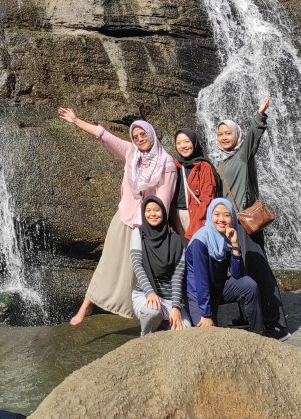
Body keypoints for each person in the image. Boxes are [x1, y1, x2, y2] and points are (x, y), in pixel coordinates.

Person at [57, 108, 177, 323]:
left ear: (152, 134)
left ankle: (144, 314)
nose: (140, 139)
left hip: (146, 225)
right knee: (107, 262)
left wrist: (153, 230)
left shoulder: (166, 163)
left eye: (143, 134)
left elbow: (163, 202)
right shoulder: (131, 153)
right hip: (124, 217)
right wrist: (75, 121)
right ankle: (86, 306)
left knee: (136, 270)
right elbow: (102, 134)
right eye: (136, 136)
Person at [215, 93, 289, 339]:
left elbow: (253, 138)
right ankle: (250, 316)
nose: (224, 137)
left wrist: (260, 114)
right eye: (220, 134)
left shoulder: (242, 156)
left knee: (260, 271)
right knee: (239, 272)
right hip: (228, 226)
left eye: (229, 133)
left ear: (236, 136)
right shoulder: (220, 165)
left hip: (247, 224)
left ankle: (277, 324)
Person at [185, 198, 263, 333]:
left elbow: (238, 275)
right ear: (210, 215)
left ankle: (258, 333)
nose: (221, 219)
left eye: (227, 215)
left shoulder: (227, 236)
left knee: (249, 285)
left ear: (232, 217)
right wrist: (206, 314)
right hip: (198, 294)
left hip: (218, 287)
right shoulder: (200, 241)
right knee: (206, 335)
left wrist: (234, 244)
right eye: (216, 214)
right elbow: (201, 280)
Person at [129, 197, 191, 335]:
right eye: (148, 210)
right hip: (146, 294)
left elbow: (177, 276)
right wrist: (150, 292)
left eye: (157, 210)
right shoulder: (138, 234)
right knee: (152, 312)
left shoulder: (176, 241)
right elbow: (137, 266)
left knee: (185, 331)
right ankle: (145, 340)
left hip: (170, 299)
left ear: (163, 212)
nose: (153, 214)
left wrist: (176, 307)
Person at [173, 128, 219, 239]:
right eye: (179, 143)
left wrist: (196, 225)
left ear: (194, 142)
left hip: (197, 217)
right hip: (176, 218)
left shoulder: (204, 166)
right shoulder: (174, 166)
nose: (183, 146)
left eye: (187, 141)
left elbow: (207, 199)